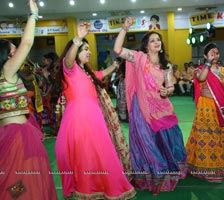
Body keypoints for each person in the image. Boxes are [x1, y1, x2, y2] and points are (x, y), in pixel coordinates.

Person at [54, 22, 136, 199]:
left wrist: (114, 66)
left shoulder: (87, 72)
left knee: (98, 154)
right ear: (76, 51)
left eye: (89, 49)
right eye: (85, 49)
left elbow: (102, 74)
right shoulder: (71, 69)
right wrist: (78, 39)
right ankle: (86, 187)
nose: (89, 52)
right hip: (78, 119)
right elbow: (68, 60)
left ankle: (99, 185)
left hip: (94, 118)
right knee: (84, 155)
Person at [114, 17, 187, 195]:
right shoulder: (139, 58)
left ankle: (168, 169)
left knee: (168, 140)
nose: (156, 42)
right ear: (146, 46)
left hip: (162, 109)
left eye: (158, 39)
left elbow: (170, 86)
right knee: (148, 144)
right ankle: (155, 174)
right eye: (152, 40)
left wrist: (167, 91)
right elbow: (117, 49)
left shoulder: (166, 66)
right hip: (142, 109)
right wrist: (124, 28)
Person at [0, 0, 57, 199]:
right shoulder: (7, 71)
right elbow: (27, 43)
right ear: (5, 56)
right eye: (14, 52)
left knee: (17, 181)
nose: (18, 54)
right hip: (17, 138)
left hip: (10, 134)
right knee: (21, 181)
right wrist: (33, 16)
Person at [185, 42, 224, 183]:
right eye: (212, 53)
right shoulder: (199, 70)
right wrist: (208, 63)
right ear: (205, 56)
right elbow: (202, 78)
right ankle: (206, 168)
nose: (215, 55)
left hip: (220, 106)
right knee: (208, 135)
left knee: (219, 134)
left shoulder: (223, 71)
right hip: (206, 107)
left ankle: (223, 160)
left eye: (217, 52)